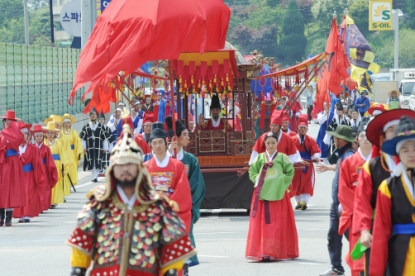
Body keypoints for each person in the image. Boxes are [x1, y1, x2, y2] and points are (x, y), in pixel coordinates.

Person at [67, 125, 196, 276]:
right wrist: (78, 269)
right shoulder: (98, 204)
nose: (125, 170)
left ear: (139, 169)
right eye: (120, 165)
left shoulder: (158, 206)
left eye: (130, 164)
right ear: (112, 169)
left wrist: (170, 271)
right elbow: (82, 243)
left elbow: (172, 246)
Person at [352, 108, 415, 275]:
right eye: (391, 131)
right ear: (384, 137)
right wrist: (365, 230)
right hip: (378, 227)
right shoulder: (371, 167)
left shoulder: (409, 160)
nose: (394, 134)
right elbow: (362, 202)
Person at [370, 115, 415, 275]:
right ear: (398, 153)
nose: (411, 154)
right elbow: (381, 232)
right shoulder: (387, 187)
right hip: (400, 256)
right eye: (405, 149)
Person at [246, 131, 297, 261]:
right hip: (262, 195)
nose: (271, 145)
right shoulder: (260, 158)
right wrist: (258, 179)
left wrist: (281, 181)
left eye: (273, 143)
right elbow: (252, 171)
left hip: (279, 194)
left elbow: (290, 172)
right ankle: (263, 250)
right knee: (262, 222)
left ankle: (277, 251)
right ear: (264, 144)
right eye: (268, 143)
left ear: (277, 143)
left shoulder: (282, 157)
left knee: (278, 222)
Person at [165, 116, 206, 273]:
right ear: (176, 138)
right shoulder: (165, 159)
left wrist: (190, 205)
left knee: (184, 235)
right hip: (166, 206)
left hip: (184, 205)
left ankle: (185, 267)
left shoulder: (191, 160)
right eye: (185, 135)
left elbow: (197, 185)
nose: (188, 138)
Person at [317, 125, 356, 276]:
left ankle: (364, 264)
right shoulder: (344, 154)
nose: (333, 140)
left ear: (342, 140)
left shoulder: (349, 156)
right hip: (337, 203)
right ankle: (336, 267)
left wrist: (343, 203)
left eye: (335, 138)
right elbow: (340, 168)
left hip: (343, 204)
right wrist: (329, 168)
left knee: (353, 237)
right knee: (334, 235)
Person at [144, 123, 192, 239]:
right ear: (151, 145)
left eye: (160, 142)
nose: (158, 145)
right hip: (152, 213)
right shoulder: (145, 167)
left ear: (166, 143)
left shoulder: (177, 166)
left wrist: (168, 206)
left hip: (172, 211)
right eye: (154, 143)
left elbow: (182, 191)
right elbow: (142, 192)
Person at [337, 118, 372, 276]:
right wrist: (361, 210)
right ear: (357, 138)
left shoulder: (381, 161)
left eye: (368, 135)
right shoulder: (349, 162)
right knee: (359, 257)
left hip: (378, 216)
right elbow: (343, 191)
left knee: (377, 256)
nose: (365, 138)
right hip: (356, 217)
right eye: (362, 135)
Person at [13, 121, 47, 223]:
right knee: (19, 194)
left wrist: (39, 177)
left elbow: (38, 164)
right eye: (21, 134)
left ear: (28, 136)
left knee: (29, 194)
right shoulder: (15, 148)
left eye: (25, 134)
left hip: (29, 174)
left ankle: (27, 214)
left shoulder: (33, 148)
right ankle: (20, 214)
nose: (24, 137)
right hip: (18, 175)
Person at [0, 111, 25, 227]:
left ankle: (8, 218)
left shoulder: (17, 135)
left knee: (10, 190)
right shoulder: (1, 135)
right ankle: (1, 217)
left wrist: (13, 128)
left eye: (10, 122)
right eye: (5, 122)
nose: (7, 124)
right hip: (2, 164)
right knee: (2, 190)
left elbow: (18, 141)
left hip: (12, 164)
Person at [291, 115, 321, 210]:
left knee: (306, 182)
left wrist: (315, 157)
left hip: (307, 164)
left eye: (304, 128)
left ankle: (304, 201)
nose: (303, 130)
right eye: (301, 128)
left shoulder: (310, 140)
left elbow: (316, 151)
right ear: (298, 128)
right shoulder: (292, 140)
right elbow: (290, 151)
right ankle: (298, 201)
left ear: (307, 129)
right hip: (296, 164)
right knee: (295, 182)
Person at [80, 107, 113, 182]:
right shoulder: (86, 127)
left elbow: (104, 138)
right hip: (90, 147)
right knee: (92, 161)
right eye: (91, 114)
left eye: (94, 114)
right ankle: (94, 176)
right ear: (90, 116)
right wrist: (84, 147)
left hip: (98, 147)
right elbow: (83, 139)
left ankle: (96, 174)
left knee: (98, 160)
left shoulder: (101, 127)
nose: (93, 115)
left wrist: (105, 148)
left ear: (96, 115)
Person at [43, 121, 71, 208]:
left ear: (54, 134)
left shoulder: (58, 144)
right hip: (46, 166)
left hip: (56, 165)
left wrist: (64, 168)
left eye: (52, 133)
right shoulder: (44, 144)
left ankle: (53, 200)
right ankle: (47, 200)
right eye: (48, 133)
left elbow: (63, 157)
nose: (50, 135)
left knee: (55, 183)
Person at [32, 124, 58, 212]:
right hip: (34, 171)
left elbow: (50, 161)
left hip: (44, 170)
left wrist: (51, 170)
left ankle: (42, 205)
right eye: (37, 136)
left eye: (40, 136)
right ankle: (36, 205)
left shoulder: (46, 148)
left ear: (43, 137)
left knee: (45, 188)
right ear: (34, 137)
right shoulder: (32, 147)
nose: (39, 138)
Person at [61, 114, 83, 192]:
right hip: (63, 152)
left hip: (72, 153)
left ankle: (70, 184)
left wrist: (79, 153)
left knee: (72, 167)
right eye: (65, 123)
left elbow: (78, 143)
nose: (66, 124)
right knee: (65, 168)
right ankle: (65, 184)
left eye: (68, 122)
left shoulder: (74, 133)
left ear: (70, 123)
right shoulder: (61, 133)